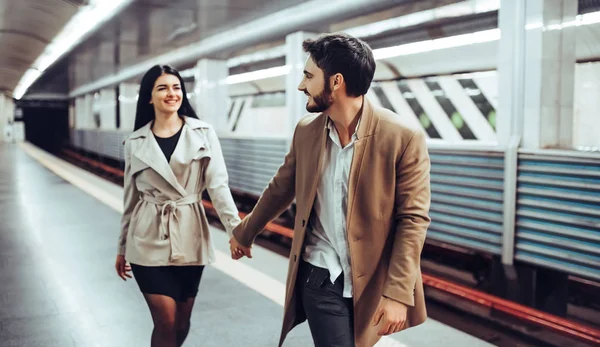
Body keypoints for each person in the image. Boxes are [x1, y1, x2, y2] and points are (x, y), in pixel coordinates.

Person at [229, 33, 431, 347]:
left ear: (336, 82)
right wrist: (245, 231)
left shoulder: (402, 137)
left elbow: (413, 220)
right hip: (320, 273)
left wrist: (397, 293)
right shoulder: (306, 131)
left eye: (309, 76)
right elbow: (282, 187)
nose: (301, 85)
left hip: (373, 278)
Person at [115, 64, 241, 347]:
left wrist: (236, 231)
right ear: (149, 97)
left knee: (182, 322)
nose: (172, 93)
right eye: (162, 88)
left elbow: (218, 186)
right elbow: (130, 199)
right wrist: (122, 248)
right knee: (166, 321)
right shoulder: (135, 142)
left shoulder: (203, 133)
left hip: (190, 234)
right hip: (147, 237)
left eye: (176, 87)